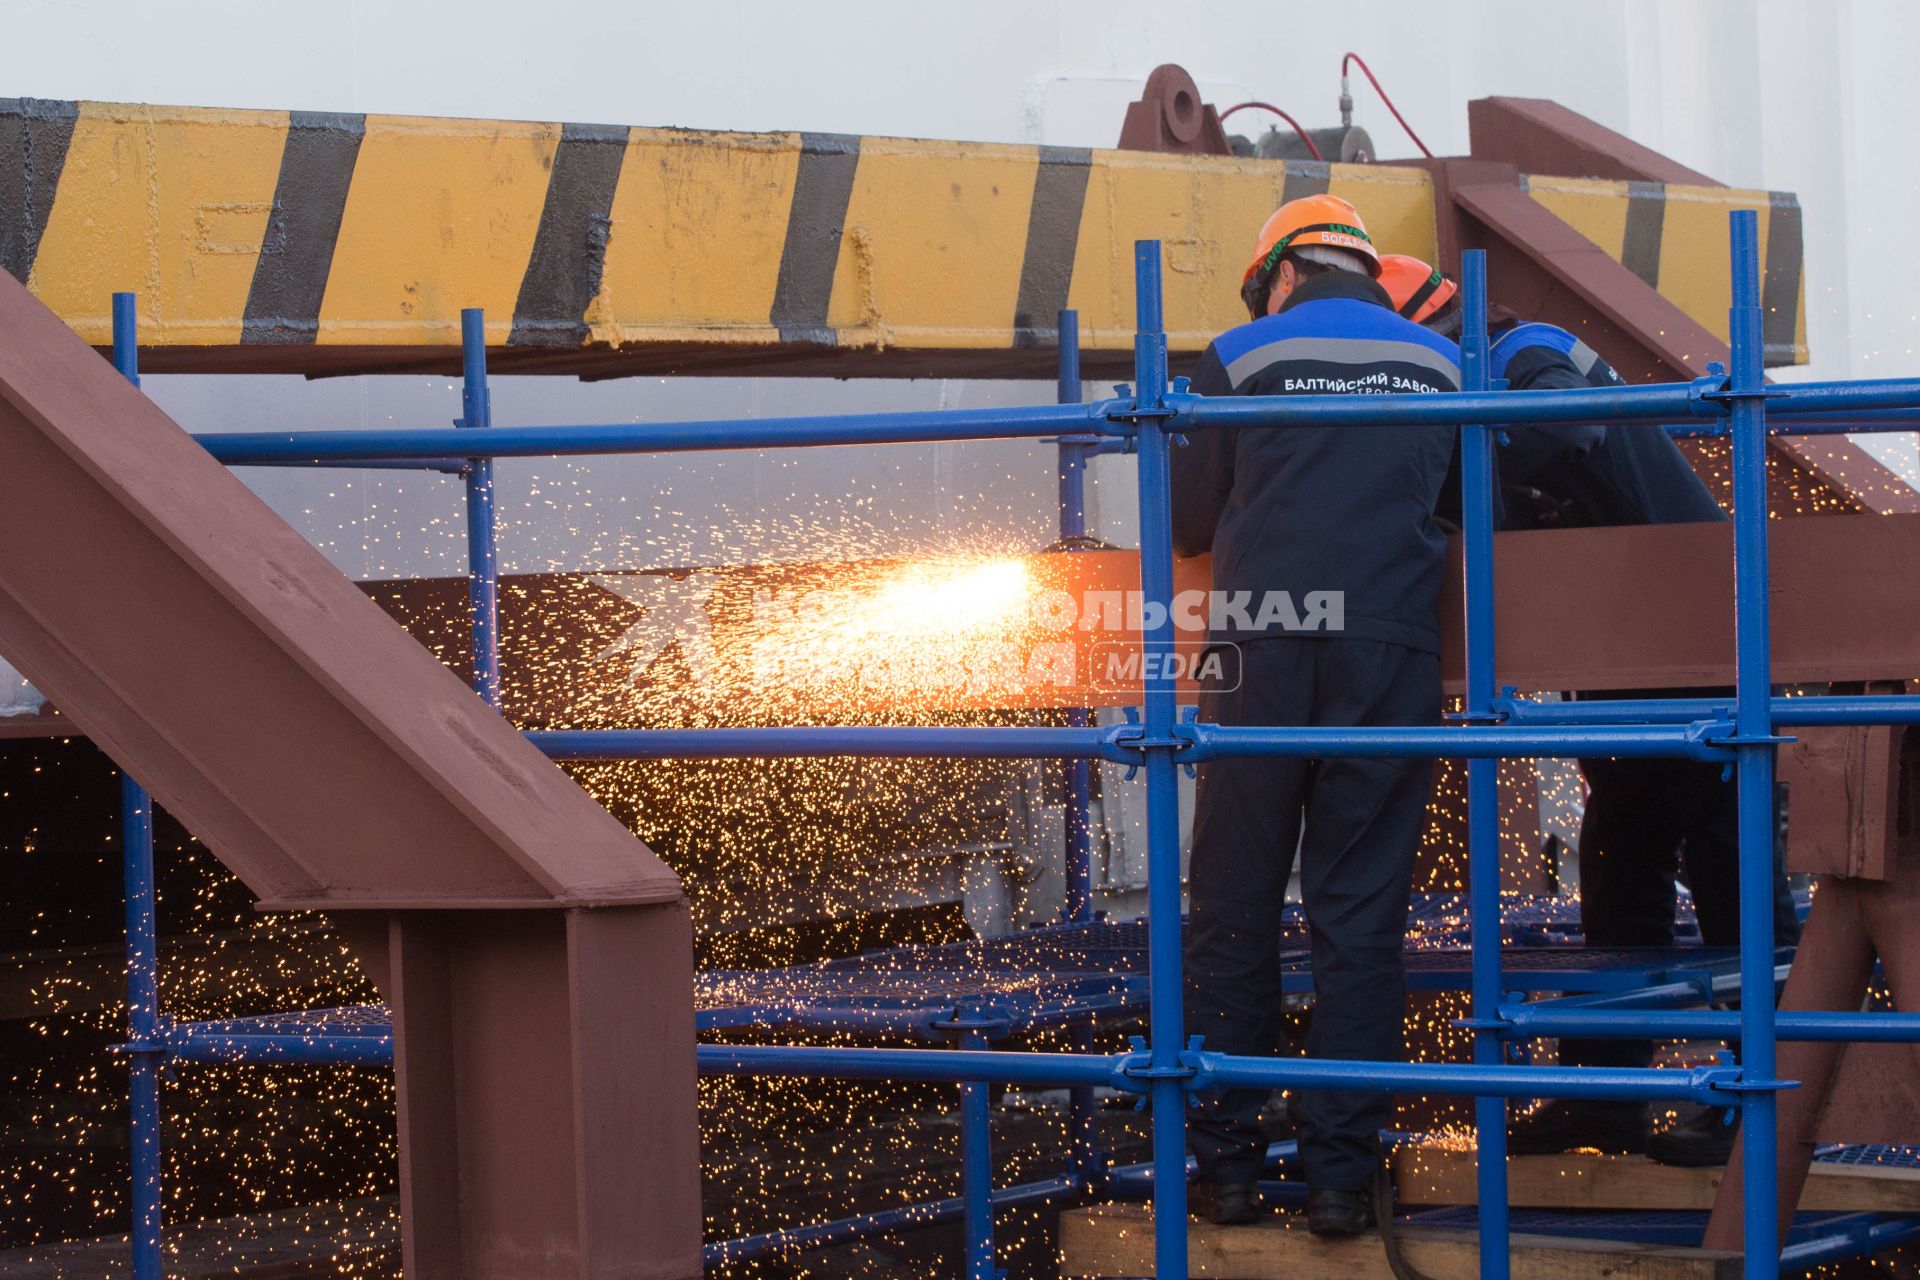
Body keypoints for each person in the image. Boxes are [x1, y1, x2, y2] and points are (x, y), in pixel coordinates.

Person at [1381, 256, 1803, 1166]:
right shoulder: (1486, 385)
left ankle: (1763, 1101)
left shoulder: (1530, 357)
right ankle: (1609, 1096)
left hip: (1706, 649)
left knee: (1733, 877)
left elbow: (1560, 439)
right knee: (1619, 874)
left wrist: (1464, 459)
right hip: (1634, 661)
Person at [1173, 199, 1461, 1234]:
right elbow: (1471, 513)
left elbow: (1189, 522)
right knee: (1359, 917)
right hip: (1388, 649)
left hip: (1263, 641)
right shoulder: (1440, 363)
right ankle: (1342, 1178)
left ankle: (1230, 1167)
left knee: (1236, 902)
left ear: (1279, 276)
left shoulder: (1237, 356)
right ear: (1364, 268)